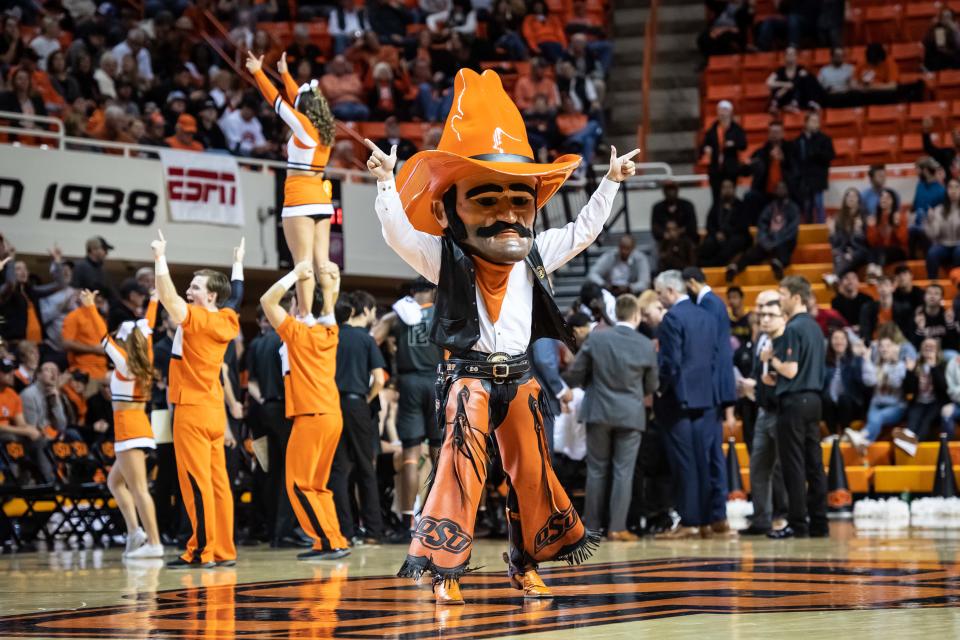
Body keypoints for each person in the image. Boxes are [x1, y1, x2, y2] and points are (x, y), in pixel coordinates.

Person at [364, 67, 637, 603]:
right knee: (460, 472)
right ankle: (445, 574)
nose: (507, 215)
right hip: (467, 378)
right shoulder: (443, 256)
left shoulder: (535, 252)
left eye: (519, 201)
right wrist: (383, 183)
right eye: (487, 201)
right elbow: (397, 233)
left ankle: (524, 564)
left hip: (520, 377)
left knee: (531, 476)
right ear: (450, 211)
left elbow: (584, 230)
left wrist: (610, 184)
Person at [151, 230, 239, 568]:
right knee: (218, 485)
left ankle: (201, 551)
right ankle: (223, 549)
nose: (189, 291)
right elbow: (236, 296)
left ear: (211, 296)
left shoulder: (198, 319)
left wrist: (160, 258)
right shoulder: (227, 319)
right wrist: (238, 266)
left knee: (196, 484)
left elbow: (168, 298)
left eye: (196, 287)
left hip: (191, 409)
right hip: (213, 408)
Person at [259, 260, 350, 560]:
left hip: (311, 414)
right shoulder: (330, 332)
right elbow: (328, 306)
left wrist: (294, 275)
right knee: (317, 485)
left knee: (298, 483)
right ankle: (332, 538)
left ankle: (329, 541)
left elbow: (266, 301)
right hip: (331, 414)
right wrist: (332, 283)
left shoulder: (297, 333)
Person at [248, 52, 337, 318]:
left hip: (299, 200)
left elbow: (277, 102)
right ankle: (329, 313)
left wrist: (257, 72)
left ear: (306, 109)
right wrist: (285, 74)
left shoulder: (305, 127)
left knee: (303, 264)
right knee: (323, 262)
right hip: (322, 201)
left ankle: (306, 315)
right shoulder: (324, 130)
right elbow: (300, 96)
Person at [77, 287, 163, 558]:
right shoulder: (145, 357)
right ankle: (135, 532)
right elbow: (148, 326)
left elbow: (102, 339)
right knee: (116, 483)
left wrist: (90, 307)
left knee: (139, 489)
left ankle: (154, 543)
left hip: (129, 430)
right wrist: (154, 299)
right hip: (137, 427)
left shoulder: (125, 363)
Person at [565, 293, 657, 541]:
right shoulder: (645, 344)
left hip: (598, 411)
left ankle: (592, 528)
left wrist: (590, 384)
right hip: (630, 413)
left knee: (596, 470)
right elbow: (651, 385)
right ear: (637, 315)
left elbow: (574, 375)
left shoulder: (597, 339)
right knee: (623, 471)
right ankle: (618, 527)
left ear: (616, 314)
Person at [371, 277, 443, 538]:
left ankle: (407, 523)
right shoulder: (443, 312)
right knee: (438, 453)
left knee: (411, 454)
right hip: (437, 382)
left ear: (412, 294)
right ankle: (439, 514)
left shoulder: (398, 316)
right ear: (433, 291)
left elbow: (372, 338)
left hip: (409, 383)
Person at [651, 270, 717, 540]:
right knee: (703, 461)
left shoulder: (672, 318)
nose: (659, 298)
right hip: (705, 397)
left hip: (678, 399)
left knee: (684, 463)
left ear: (670, 291)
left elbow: (671, 363)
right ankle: (705, 520)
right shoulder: (706, 315)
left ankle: (689, 521)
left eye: (659, 293)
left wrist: (659, 388)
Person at [762, 275, 828, 539]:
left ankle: (798, 524)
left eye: (783, 295)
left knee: (794, 466)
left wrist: (771, 360)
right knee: (814, 463)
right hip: (814, 400)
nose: (780, 300)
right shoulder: (815, 327)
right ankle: (820, 522)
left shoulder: (793, 328)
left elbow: (790, 370)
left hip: (794, 402)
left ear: (796, 298)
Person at [329, 291, 386, 545]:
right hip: (357, 403)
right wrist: (367, 398)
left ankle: (345, 531)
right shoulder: (366, 339)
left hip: (332, 404)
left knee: (339, 470)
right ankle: (373, 531)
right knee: (365, 467)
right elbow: (380, 378)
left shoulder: (332, 335)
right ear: (366, 310)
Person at [684, 267, 737, 536]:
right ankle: (716, 515)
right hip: (717, 391)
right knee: (712, 454)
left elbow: (714, 353)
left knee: (710, 455)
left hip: (711, 391)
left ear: (691, 282)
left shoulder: (708, 304)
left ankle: (715, 515)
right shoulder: (716, 303)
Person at [740, 290, 789, 535]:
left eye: (768, 310)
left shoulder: (788, 339)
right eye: (760, 309)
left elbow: (787, 376)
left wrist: (760, 385)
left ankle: (791, 516)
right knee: (759, 466)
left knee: (786, 467)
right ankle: (761, 518)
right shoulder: (761, 337)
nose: (762, 314)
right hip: (762, 411)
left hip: (782, 412)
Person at [728, 181, 799, 282]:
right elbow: (762, 225)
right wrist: (765, 240)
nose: (780, 190)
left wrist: (776, 240)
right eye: (778, 188)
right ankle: (736, 268)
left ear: (787, 190)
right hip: (768, 240)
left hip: (784, 240)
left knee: (784, 248)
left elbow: (792, 230)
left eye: (783, 188)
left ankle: (778, 266)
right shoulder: (770, 207)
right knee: (753, 252)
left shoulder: (793, 208)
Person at [845, 337, 905, 452]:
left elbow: (896, 383)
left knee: (878, 417)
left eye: (888, 346)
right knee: (875, 417)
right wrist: (867, 359)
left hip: (896, 406)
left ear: (894, 348)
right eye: (881, 346)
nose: (884, 349)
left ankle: (861, 436)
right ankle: (864, 442)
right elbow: (869, 381)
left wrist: (894, 362)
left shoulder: (901, 364)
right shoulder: (876, 365)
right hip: (877, 403)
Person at [0, 357, 50, 483]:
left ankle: (47, 481)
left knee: (39, 439)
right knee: (11, 438)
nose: (11, 374)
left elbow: (21, 423)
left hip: (11, 433)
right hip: (5, 435)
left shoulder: (12, 394)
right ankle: (12, 482)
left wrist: (33, 430)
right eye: (6, 372)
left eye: (12, 371)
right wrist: (25, 431)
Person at [899, 338, 949, 453]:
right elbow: (908, 390)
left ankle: (913, 446)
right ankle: (908, 445)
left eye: (932, 346)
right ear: (921, 349)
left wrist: (933, 367)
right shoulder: (915, 364)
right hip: (919, 402)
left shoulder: (942, 364)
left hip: (936, 403)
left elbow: (944, 388)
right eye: (926, 345)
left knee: (926, 422)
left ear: (937, 350)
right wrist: (910, 372)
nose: (928, 347)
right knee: (912, 422)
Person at [822, 328, 871, 437]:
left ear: (847, 342)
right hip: (830, 403)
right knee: (825, 398)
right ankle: (833, 434)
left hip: (851, 403)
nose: (839, 341)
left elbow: (862, 384)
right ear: (830, 342)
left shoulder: (855, 359)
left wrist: (860, 357)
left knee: (844, 398)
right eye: (835, 338)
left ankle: (845, 433)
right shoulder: (824, 361)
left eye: (842, 338)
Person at [700, 100, 747, 203]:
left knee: (730, 198)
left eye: (725, 110)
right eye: (720, 110)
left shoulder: (736, 129)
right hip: (715, 170)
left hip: (731, 169)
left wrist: (733, 144)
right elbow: (704, 145)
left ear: (730, 112)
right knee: (716, 199)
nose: (722, 113)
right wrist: (706, 148)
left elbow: (743, 145)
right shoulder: (712, 129)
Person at [791, 112, 834, 223]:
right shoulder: (798, 141)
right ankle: (807, 229)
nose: (815, 124)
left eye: (817, 122)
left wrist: (815, 151)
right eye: (813, 121)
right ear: (806, 123)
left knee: (818, 204)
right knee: (806, 207)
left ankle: (821, 229)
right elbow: (794, 160)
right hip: (803, 180)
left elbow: (830, 156)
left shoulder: (824, 139)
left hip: (818, 179)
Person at [698, 178, 751, 268]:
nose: (727, 190)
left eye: (729, 187)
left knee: (733, 243)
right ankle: (703, 266)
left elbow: (743, 226)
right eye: (724, 187)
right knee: (708, 244)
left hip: (735, 236)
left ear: (734, 189)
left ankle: (716, 265)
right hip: (718, 236)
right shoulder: (716, 206)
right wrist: (716, 234)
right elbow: (709, 223)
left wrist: (726, 233)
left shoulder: (741, 205)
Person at [586, 235, 651, 295]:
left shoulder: (640, 259)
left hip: (631, 294)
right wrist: (604, 284)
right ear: (619, 246)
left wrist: (630, 288)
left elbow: (644, 282)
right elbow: (592, 274)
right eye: (622, 248)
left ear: (633, 248)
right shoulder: (610, 256)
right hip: (609, 292)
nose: (624, 251)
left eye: (627, 249)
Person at [828, 188, 870, 276]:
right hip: (843, 250)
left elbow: (867, 242)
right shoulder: (839, 218)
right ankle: (837, 277)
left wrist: (858, 232)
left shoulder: (864, 217)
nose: (851, 198)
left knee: (849, 257)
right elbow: (836, 243)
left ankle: (835, 277)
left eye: (854, 196)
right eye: (848, 196)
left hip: (860, 250)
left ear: (859, 200)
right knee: (838, 255)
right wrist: (831, 233)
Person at [924, 178, 960, 278]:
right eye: (950, 187)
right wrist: (930, 221)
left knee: (959, 251)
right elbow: (934, 235)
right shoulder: (939, 209)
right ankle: (932, 283)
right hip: (943, 244)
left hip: (959, 244)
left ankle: (957, 280)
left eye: (957, 187)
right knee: (932, 253)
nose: (953, 190)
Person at [866, 188, 908, 272]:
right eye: (882, 197)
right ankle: (872, 270)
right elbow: (872, 243)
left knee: (884, 251)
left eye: (887, 197)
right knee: (873, 251)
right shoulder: (875, 218)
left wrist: (896, 226)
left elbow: (903, 240)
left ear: (893, 201)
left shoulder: (900, 216)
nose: (884, 199)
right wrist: (871, 227)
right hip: (881, 251)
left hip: (898, 251)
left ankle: (877, 271)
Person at [651, 180, 699, 247]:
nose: (670, 192)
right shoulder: (658, 207)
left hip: (685, 239)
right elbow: (655, 227)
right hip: (664, 240)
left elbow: (692, 225)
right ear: (664, 192)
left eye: (673, 189)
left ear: (677, 190)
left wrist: (678, 232)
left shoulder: (687, 205)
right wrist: (664, 234)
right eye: (668, 190)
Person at [913, 284, 959, 352]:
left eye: (936, 293)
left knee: (953, 355)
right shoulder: (917, 317)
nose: (932, 296)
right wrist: (920, 329)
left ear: (942, 298)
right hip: (924, 354)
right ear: (924, 297)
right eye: (929, 293)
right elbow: (914, 345)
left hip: (944, 352)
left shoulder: (948, 316)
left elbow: (955, 345)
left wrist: (950, 324)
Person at [71, 236, 116, 303]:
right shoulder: (80, 267)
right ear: (93, 249)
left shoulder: (101, 269)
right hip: (84, 308)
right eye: (104, 249)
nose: (106, 253)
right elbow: (75, 290)